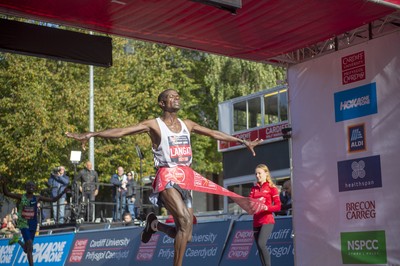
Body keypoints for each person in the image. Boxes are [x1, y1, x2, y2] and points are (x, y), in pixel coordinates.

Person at [66, 88, 262, 266]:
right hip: (166, 175)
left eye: (178, 96)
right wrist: (93, 134)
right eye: (172, 97)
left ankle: (154, 224)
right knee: (185, 220)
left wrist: (241, 141)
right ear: (162, 103)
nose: (177, 98)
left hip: (186, 177)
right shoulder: (155, 125)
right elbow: (123, 131)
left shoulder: (188, 124)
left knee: (186, 235)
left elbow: (212, 133)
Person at [0, 176, 68, 266]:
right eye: (29, 186)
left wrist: (63, 192)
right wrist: (4, 183)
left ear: (35, 188)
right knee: (29, 244)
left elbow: (53, 199)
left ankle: (18, 241)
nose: (31, 187)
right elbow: (6, 193)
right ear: (26, 188)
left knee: (28, 249)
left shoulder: (37, 198)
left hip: (33, 224)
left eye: (32, 186)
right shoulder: (21, 197)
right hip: (24, 223)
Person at [249, 164, 281, 266]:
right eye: (256, 174)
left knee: (261, 243)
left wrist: (267, 207)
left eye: (259, 173)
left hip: (267, 221)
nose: (257, 175)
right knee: (259, 247)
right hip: (256, 221)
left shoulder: (272, 188)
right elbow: (250, 203)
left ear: (266, 173)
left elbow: (278, 206)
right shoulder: (254, 189)